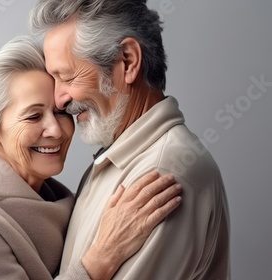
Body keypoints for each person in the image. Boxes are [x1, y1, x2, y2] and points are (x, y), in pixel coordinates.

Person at [0, 35, 182, 280]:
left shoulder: (61, 201)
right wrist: (102, 257)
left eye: (61, 112)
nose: (56, 130)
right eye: (33, 116)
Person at [29, 0, 230, 279]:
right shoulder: (120, 158)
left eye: (67, 77)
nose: (59, 100)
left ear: (128, 61)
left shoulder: (163, 172)